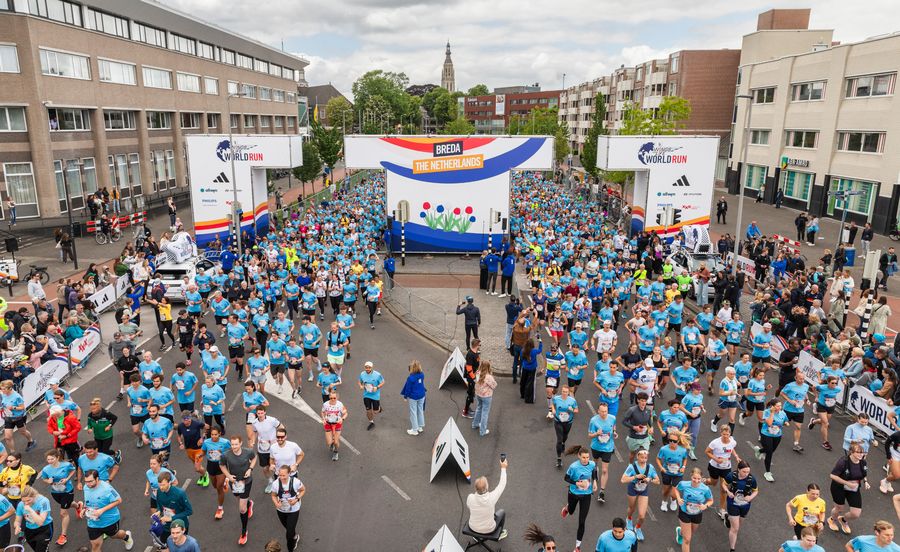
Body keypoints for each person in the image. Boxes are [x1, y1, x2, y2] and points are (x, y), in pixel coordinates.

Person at [78, 469, 135, 551]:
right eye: (86, 481)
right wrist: (84, 509)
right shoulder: (86, 487)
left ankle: (126, 537)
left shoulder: (107, 488)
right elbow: (87, 501)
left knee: (114, 535)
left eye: (90, 481)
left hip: (109, 520)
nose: (88, 484)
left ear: (97, 479)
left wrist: (102, 510)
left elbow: (119, 500)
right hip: (93, 522)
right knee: (95, 545)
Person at [220, 435, 256, 545]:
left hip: (246, 481)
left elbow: (254, 458)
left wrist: (250, 469)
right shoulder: (226, 455)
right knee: (239, 499)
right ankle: (249, 503)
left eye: (236, 444)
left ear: (240, 443)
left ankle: (244, 532)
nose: (234, 446)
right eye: (232, 444)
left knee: (241, 509)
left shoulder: (248, 452)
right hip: (234, 483)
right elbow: (222, 466)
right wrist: (228, 476)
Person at [828, 443, 869, 535]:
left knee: (855, 514)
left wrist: (866, 482)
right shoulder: (843, 461)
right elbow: (832, 475)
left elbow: (864, 474)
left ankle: (843, 520)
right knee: (839, 508)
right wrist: (847, 483)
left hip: (853, 488)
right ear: (851, 452)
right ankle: (832, 520)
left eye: (862, 453)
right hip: (839, 487)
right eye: (858, 452)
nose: (861, 455)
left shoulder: (863, 462)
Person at [560, 445, 596, 551]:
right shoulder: (574, 466)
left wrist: (594, 482)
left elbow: (594, 472)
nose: (586, 460)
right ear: (579, 456)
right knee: (571, 511)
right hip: (573, 493)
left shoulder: (592, 464)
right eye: (583, 457)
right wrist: (576, 483)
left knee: (582, 521)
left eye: (587, 457)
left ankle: (577, 546)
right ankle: (567, 508)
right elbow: (566, 478)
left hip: (586, 495)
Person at [38, 448, 75, 546]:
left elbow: (72, 470)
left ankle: (63, 536)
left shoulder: (66, 465)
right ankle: (78, 506)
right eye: (48, 459)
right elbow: (44, 478)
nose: (49, 461)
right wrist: (48, 481)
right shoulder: (46, 469)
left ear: (57, 457)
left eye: (52, 459)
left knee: (63, 512)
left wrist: (67, 479)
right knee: (67, 504)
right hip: (55, 492)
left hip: (67, 490)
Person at [621, 448, 659, 541]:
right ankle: (629, 518)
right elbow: (622, 480)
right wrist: (635, 477)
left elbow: (658, 481)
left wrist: (650, 479)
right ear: (637, 457)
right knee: (632, 508)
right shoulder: (632, 467)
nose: (643, 460)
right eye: (642, 457)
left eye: (645, 458)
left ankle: (637, 527)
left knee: (642, 515)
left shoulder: (650, 467)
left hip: (643, 491)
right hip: (633, 489)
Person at [466, 456, 508, 540]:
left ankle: (477, 537)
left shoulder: (470, 497)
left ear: (475, 488)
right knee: (501, 512)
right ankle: (499, 534)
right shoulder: (491, 498)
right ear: (487, 487)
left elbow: (469, 507)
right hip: (489, 529)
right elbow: (502, 484)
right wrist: (503, 467)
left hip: (472, 527)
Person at [674, 467, 714, 552]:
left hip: (697, 514)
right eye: (694, 478)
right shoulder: (684, 484)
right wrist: (678, 498)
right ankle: (683, 535)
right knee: (687, 539)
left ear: (702, 478)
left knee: (691, 532)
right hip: (684, 512)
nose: (696, 480)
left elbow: (711, 501)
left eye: (699, 479)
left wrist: (705, 506)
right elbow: (676, 489)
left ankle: (680, 532)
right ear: (691, 477)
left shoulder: (705, 489)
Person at [723, 460, 758, 552]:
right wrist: (728, 491)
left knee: (738, 523)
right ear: (738, 469)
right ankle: (732, 549)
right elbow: (724, 484)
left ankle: (728, 518)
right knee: (735, 528)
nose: (746, 474)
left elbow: (756, 491)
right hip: (733, 503)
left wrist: (750, 497)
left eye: (748, 471)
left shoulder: (752, 479)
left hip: (745, 505)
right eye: (744, 471)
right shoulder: (731, 476)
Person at [270, 465, 304, 552]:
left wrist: (297, 499)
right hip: (281, 510)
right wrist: (276, 503)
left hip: (294, 509)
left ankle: (290, 549)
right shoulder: (275, 484)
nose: (281, 477)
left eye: (283, 475)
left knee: (289, 534)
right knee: (289, 528)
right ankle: (295, 536)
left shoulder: (296, 482)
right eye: (280, 475)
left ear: (289, 474)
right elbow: (273, 495)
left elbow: (303, 490)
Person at [753, 398, 788, 482]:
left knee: (772, 450)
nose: (780, 407)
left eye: (780, 405)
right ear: (772, 406)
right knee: (769, 452)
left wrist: (786, 423)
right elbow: (769, 423)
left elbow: (785, 421)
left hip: (777, 434)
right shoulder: (767, 412)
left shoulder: (782, 413)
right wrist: (772, 412)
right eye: (778, 406)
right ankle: (767, 472)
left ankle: (760, 451)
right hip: (766, 434)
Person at [153, 471, 192, 545]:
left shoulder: (180, 493)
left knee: (180, 546)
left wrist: (172, 518)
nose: (161, 487)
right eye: (159, 484)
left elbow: (189, 511)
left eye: (163, 485)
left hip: (179, 527)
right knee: (164, 545)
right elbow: (159, 504)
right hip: (166, 526)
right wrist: (158, 511)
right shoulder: (159, 491)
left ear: (169, 482)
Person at [200, 426, 229, 520]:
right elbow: (204, 451)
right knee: (215, 486)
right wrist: (200, 456)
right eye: (212, 434)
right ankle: (225, 482)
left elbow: (231, 451)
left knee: (219, 488)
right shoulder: (207, 442)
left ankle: (220, 508)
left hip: (221, 466)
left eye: (216, 434)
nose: (214, 436)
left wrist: (223, 454)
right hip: (211, 465)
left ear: (219, 434)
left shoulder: (225, 442)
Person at [13, 486, 52, 552]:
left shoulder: (44, 501)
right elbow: (17, 520)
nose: (26, 503)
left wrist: (30, 510)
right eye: (23, 501)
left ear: (34, 496)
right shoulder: (21, 504)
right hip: (29, 530)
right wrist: (17, 526)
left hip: (44, 529)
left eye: (28, 500)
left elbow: (40, 522)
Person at [1, 379, 36, 452]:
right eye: (1, 389)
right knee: (7, 437)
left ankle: (31, 441)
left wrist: (13, 407)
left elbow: (22, 408)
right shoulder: (3, 394)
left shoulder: (17, 396)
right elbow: (3, 403)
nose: (2, 390)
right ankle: (12, 452)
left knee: (23, 432)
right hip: (9, 417)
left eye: (4, 389)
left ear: (9, 388)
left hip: (19, 417)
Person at [472, 360, 497, 437]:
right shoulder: (489, 377)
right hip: (486, 396)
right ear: (488, 367)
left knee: (479, 408)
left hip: (478, 395)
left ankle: (475, 424)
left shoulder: (477, 373)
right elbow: (494, 385)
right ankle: (482, 431)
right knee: (485, 413)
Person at [401, 360, 426, 436]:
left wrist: (405, 397)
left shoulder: (410, 378)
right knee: (420, 410)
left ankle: (414, 430)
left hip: (413, 397)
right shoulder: (422, 374)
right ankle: (420, 427)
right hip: (422, 395)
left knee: (413, 412)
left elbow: (408, 389)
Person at [321, 391, 347, 461]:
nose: (332, 399)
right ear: (329, 397)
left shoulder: (340, 404)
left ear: (337, 398)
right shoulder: (325, 404)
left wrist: (342, 419)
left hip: (337, 424)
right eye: (331, 398)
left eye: (334, 398)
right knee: (329, 443)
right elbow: (323, 412)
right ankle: (332, 444)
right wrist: (323, 419)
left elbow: (346, 413)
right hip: (328, 423)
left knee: (336, 441)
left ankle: (336, 452)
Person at [358, 361, 384, 430]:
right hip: (366, 395)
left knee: (375, 411)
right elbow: (359, 381)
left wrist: (377, 387)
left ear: (372, 368)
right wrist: (360, 386)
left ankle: (378, 408)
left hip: (375, 395)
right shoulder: (362, 374)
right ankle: (371, 422)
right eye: (366, 367)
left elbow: (383, 382)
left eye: (369, 367)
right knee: (368, 410)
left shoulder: (377, 375)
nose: (368, 369)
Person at [462, 339, 481, 419]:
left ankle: (467, 408)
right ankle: (465, 412)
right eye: (480, 345)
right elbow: (469, 368)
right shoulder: (470, 354)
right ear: (476, 345)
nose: (480, 346)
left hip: (474, 376)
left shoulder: (475, 353)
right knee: (470, 395)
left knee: (471, 394)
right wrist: (473, 378)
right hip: (471, 378)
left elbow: (476, 364)